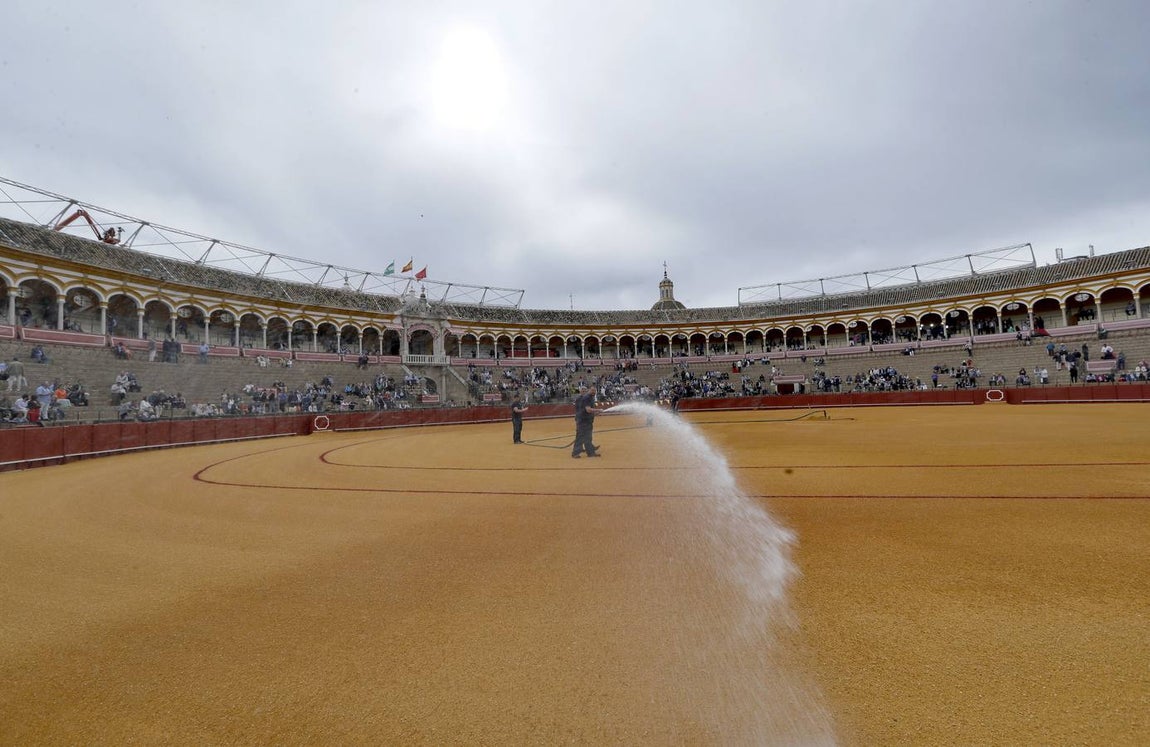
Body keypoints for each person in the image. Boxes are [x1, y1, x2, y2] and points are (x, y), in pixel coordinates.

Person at [571, 384, 600, 458]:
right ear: (589, 390)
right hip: (582, 420)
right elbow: (587, 409)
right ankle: (575, 453)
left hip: (587, 420)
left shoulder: (590, 398)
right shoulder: (586, 398)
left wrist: (595, 412)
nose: (594, 392)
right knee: (580, 437)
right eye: (592, 390)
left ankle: (590, 453)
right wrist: (598, 410)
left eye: (595, 390)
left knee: (588, 437)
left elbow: (587, 410)